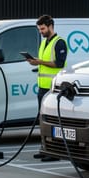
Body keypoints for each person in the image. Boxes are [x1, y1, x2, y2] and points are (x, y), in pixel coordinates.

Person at [26, 15, 67, 161]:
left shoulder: (59, 42)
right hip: (42, 89)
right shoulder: (44, 43)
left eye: (42, 29)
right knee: (43, 121)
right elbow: (44, 64)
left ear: (50, 26)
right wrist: (35, 62)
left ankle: (55, 152)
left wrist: (40, 61)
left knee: (53, 121)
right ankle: (45, 149)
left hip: (54, 89)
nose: (41, 32)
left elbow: (59, 64)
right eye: (39, 29)